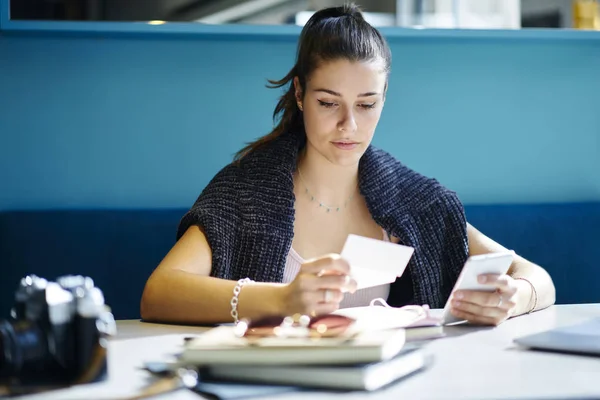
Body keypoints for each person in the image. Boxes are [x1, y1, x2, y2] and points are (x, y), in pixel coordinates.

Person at [140, 3, 555, 327]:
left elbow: (538, 278)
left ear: (384, 97)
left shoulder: (415, 203)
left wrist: (514, 298)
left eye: (367, 104)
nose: (349, 125)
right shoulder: (245, 192)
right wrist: (282, 299)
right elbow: (159, 293)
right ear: (300, 93)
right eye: (328, 103)